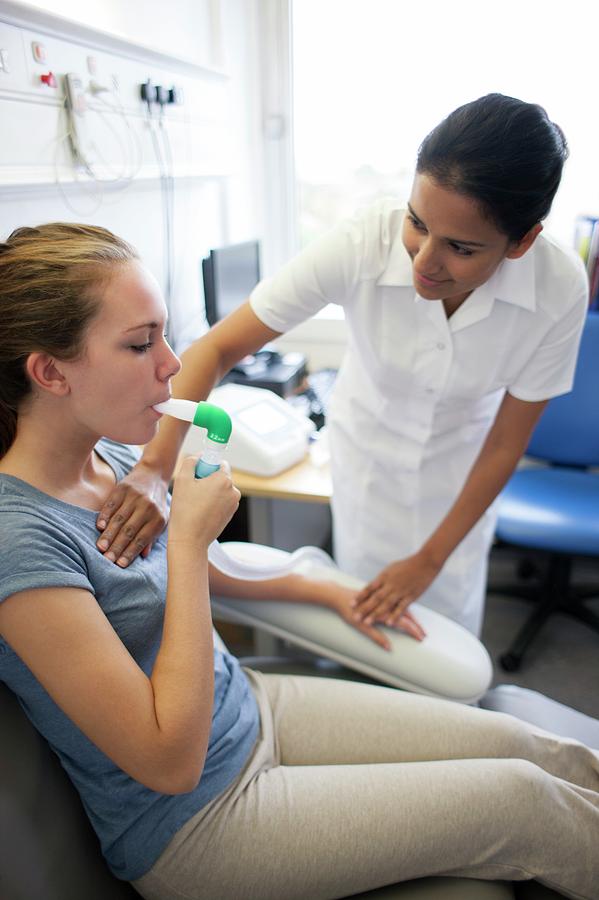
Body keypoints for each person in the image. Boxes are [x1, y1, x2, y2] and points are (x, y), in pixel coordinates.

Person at [1, 222, 599, 900]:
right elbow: (167, 761)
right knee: (521, 800)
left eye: (164, 335)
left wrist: (326, 592)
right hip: (196, 823)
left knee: (522, 746)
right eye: (140, 344)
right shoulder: (20, 544)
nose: (172, 364)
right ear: (50, 372)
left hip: (251, 710)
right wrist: (192, 543)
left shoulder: (108, 461)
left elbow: (184, 572)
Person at [95, 93, 589, 636]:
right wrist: (153, 468)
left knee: (447, 644)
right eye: (417, 222)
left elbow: (505, 444)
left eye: (462, 248)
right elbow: (216, 349)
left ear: (521, 243)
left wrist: (429, 560)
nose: (423, 261)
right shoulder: (363, 242)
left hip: (462, 478)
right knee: (357, 625)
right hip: (367, 465)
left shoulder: (558, 288)